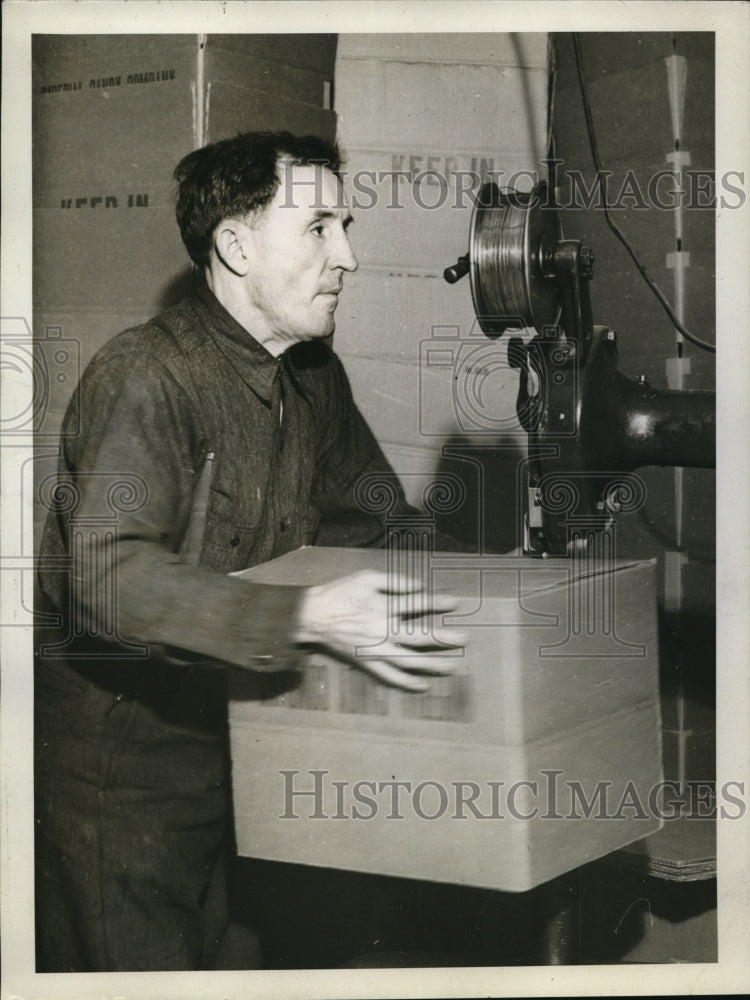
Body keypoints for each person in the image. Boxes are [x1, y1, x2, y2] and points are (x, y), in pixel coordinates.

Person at [34, 130, 464, 972]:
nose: (348, 256)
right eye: (318, 228)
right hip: (121, 769)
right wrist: (302, 616)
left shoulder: (312, 376)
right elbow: (103, 574)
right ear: (235, 245)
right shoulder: (145, 374)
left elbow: (379, 520)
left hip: (242, 741)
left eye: (347, 226)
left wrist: (483, 592)